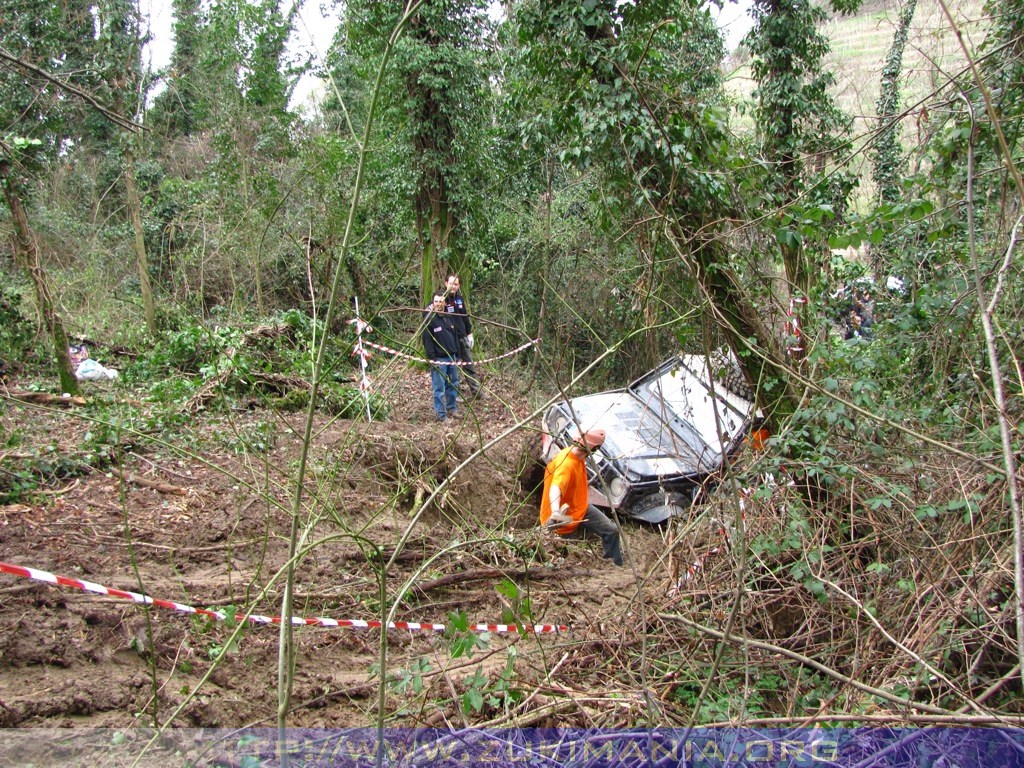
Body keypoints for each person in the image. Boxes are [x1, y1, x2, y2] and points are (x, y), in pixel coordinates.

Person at [538, 428, 623, 566]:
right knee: (563, 557)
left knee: (611, 530)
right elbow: (556, 487)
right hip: (562, 519)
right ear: (594, 448)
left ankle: (614, 565)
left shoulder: (577, 456)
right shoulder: (566, 464)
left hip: (580, 506)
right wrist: (555, 512)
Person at [422, 291, 461, 422]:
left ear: (445, 302)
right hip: (439, 359)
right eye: (436, 301)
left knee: (454, 383)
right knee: (439, 388)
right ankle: (441, 415)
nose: (439, 304)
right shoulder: (430, 319)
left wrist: (458, 354)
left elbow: (455, 336)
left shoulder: (449, 317)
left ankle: (452, 407)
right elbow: (427, 341)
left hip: (452, 357)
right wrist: (433, 359)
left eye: (441, 301)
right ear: (433, 303)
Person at [444, 274, 482, 398]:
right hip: (450, 339)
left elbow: (465, 317)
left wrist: (469, 334)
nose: (453, 286)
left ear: (458, 285)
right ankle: (456, 395)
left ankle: (476, 392)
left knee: (469, 365)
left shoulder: (460, 298)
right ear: (446, 284)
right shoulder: (441, 298)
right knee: (453, 368)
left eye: (455, 284)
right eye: (451, 283)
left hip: (462, 337)